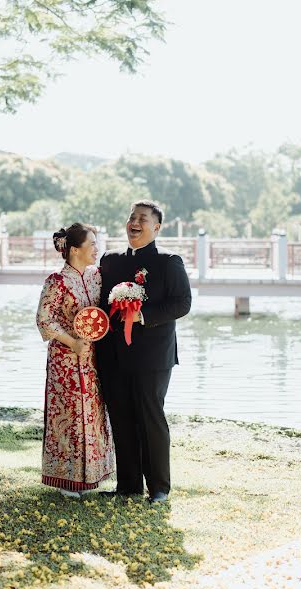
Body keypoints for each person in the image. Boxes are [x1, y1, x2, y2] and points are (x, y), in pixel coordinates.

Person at [96, 201, 192, 503]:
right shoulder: (109, 260)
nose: (134, 223)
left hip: (153, 357)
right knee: (121, 418)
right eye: (131, 217)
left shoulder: (169, 262)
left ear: (157, 227)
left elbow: (182, 304)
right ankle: (128, 486)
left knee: (150, 418)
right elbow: (100, 302)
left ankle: (159, 488)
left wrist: (141, 315)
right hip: (113, 355)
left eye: (142, 218)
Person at [36, 223, 115, 498]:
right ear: (74, 250)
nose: (97, 249)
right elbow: (44, 319)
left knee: (92, 412)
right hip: (65, 360)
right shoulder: (56, 281)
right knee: (69, 414)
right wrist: (72, 342)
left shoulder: (97, 276)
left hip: (93, 358)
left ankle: (93, 476)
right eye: (92, 244)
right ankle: (66, 479)